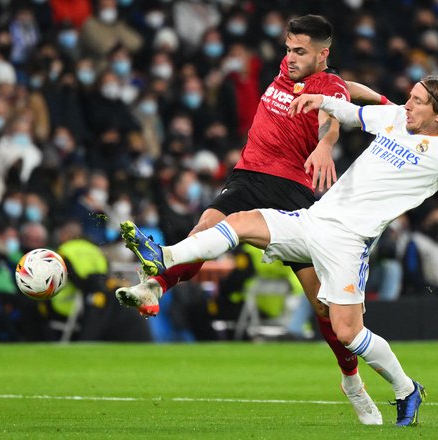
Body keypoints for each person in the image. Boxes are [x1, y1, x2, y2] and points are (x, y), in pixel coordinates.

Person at [116, 74, 438, 426]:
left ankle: (405, 388)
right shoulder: (395, 119)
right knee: (239, 223)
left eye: (418, 100)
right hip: (315, 219)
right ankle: (168, 257)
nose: (408, 103)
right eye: (412, 96)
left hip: (349, 242)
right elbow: (351, 111)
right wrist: (321, 100)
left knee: (346, 333)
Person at [116, 15, 389, 425]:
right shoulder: (289, 71)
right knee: (204, 231)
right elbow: (351, 88)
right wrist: (384, 101)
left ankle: (352, 381)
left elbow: (333, 113)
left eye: (300, 51)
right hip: (247, 176)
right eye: (287, 48)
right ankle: (155, 286)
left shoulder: (326, 87)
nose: (290, 57)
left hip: (292, 193)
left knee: (323, 304)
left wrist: (326, 146)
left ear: (322, 54)